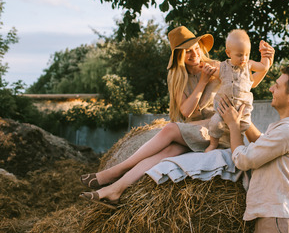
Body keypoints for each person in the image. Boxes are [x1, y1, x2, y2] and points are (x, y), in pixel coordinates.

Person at [79, 26, 275, 209]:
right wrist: (202, 83)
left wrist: (265, 65)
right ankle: (115, 190)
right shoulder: (177, 76)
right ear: (179, 55)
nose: (194, 54)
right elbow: (186, 112)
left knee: (170, 129)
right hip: (193, 130)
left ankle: (113, 172)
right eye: (187, 51)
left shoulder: (216, 67)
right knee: (166, 153)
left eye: (196, 48)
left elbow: (243, 84)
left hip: (217, 127)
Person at [217, 65, 289, 233]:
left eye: (277, 86)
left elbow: (244, 159)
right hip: (275, 222)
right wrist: (244, 120)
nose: (271, 88)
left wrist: (233, 126)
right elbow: (262, 144)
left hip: (281, 224)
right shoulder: (286, 128)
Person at [205, 29, 271, 152]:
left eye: (247, 54)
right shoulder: (223, 67)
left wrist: (264, 55)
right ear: (228, 53)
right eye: (239, 55)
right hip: (223, 107)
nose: (244, 58)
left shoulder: (249, 65)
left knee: (244, 127)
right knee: (214, 123)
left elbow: (264, 67)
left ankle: (250, 149)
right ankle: (213, 144)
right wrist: (207, 69)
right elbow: (214, 73)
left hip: (242, 109)